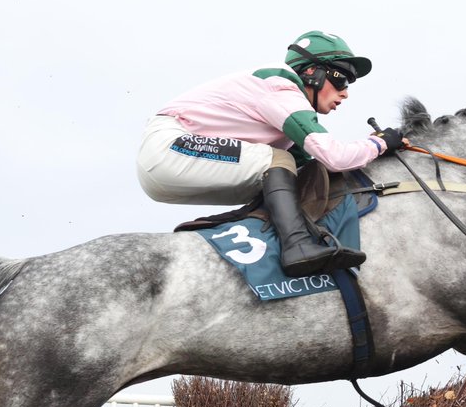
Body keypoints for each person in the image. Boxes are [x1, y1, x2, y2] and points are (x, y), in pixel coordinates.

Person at [137, 30, 407, 278]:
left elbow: (320, 167)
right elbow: (333, 156)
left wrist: (374, 151)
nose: (345, 92)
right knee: (278, 161)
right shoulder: (281, 86)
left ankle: (280, 243)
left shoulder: (283, 118)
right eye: (341, 78)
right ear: (312, 71)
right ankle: (297, 246)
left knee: (290, 175)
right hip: (169, 147)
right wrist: (380, 143)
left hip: (168, 164)